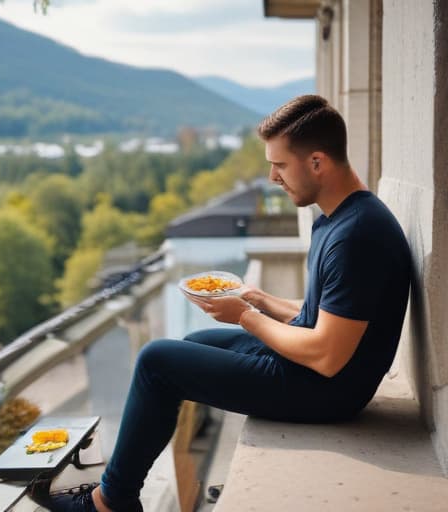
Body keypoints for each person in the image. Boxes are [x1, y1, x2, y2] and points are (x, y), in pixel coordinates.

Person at [34, 95, 412, 511]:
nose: (272, 177)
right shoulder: (337, 217)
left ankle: (110, 501)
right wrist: (259, 299)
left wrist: (246, 317)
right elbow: (320, 318)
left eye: (281, 165)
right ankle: (120, 490)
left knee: (157, 360)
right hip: (316, 374)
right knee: (194, 343)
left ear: (317, 162)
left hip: (326, 392)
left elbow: (326, 355)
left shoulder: (357, 236)